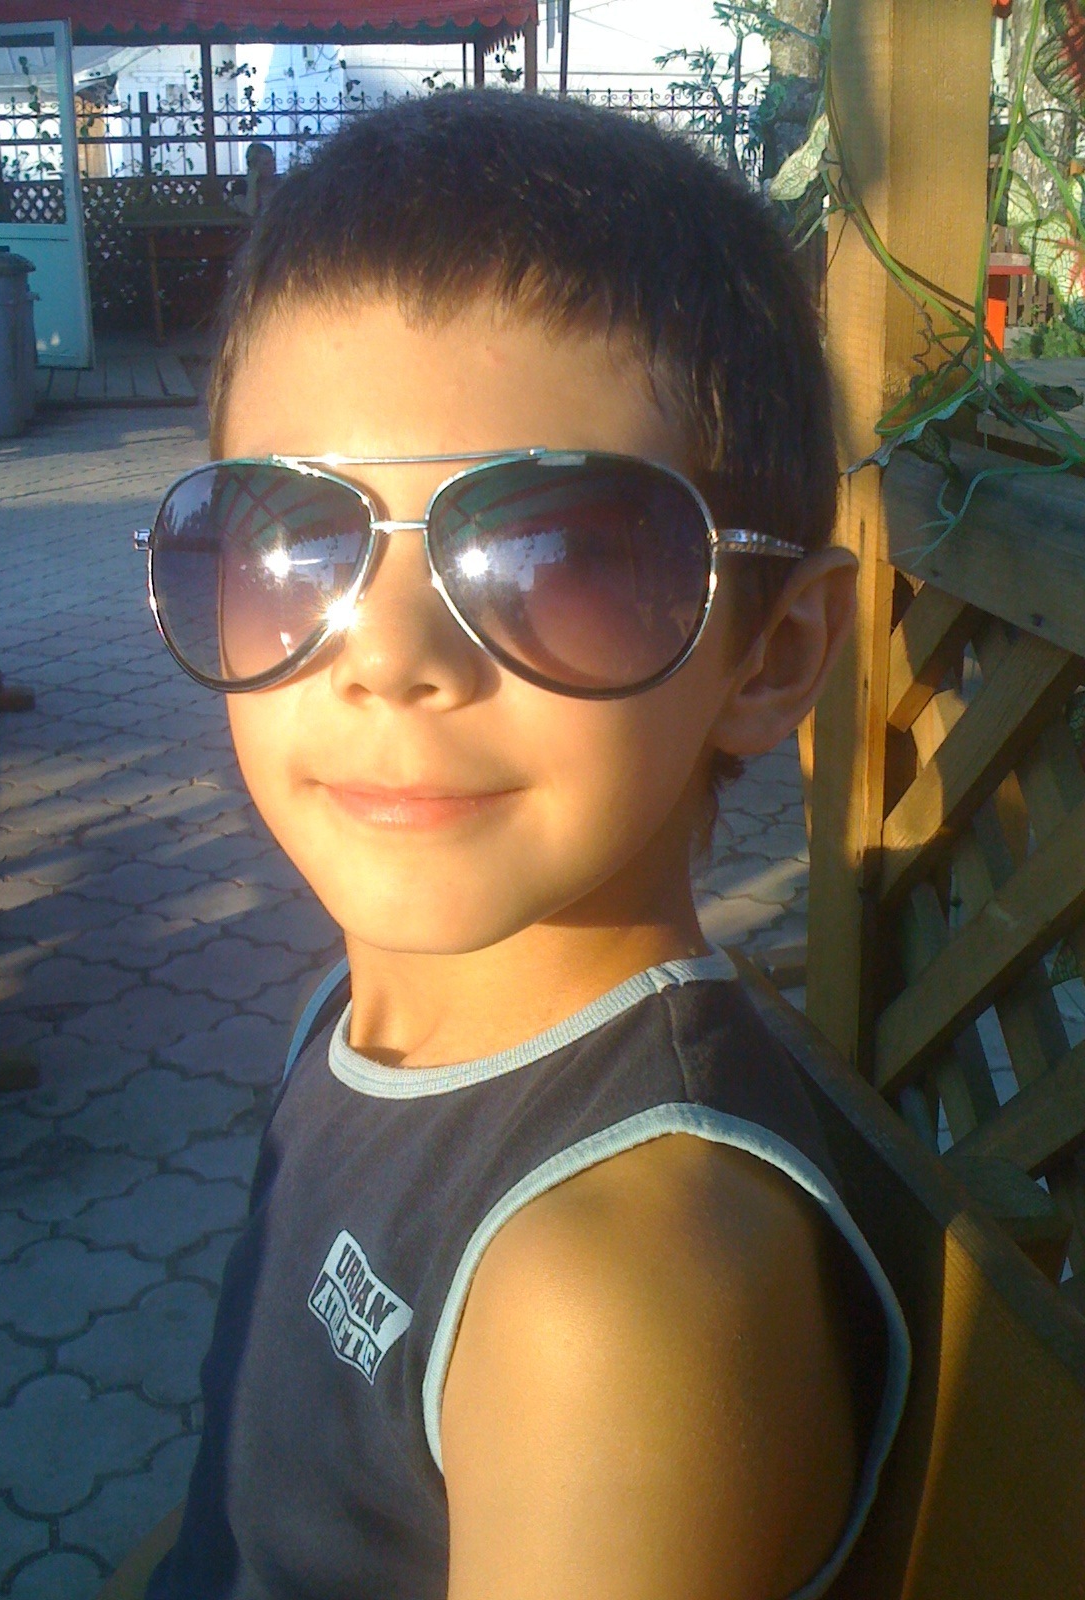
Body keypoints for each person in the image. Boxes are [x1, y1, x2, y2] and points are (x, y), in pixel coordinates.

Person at [142, 90, 910, 1600]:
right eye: (294, 538)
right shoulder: (356, 1016)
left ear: (772, 653)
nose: (389, 658)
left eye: (557, 552)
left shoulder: (606, 1297)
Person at [230, 140, 278, 217]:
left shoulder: (279, 182)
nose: (273, 166)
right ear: (253, 166)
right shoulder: (240, 186)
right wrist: (252, 184)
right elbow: (249, 212)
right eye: (266, 163)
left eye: (273, 161)